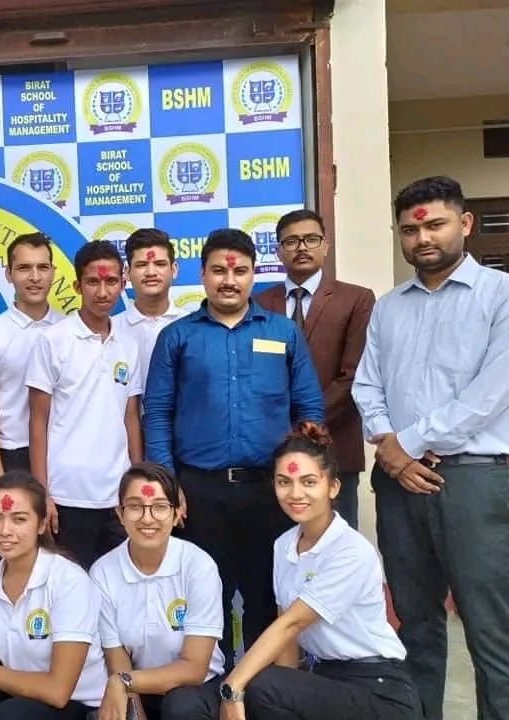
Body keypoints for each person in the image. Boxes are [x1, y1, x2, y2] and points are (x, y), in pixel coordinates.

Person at [352, 175, 509, 720]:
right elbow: (366, 385)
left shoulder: (500, 295)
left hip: (473, 481)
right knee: (414, 625)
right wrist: (391, 449)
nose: (422, 238)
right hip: (399, 485)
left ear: (464, 224)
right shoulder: (389, 307)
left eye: (435, 225)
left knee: (491, 629)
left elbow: (491, 394)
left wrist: (408, 443)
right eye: (410, 230)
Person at [143, 228, 323, 663]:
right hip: (199, 491)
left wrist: (302, 479)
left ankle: (266, 688)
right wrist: (169, 486)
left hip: (269, 491)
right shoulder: (177, 337)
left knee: (268, 593)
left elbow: (309, 408)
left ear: (253, 275)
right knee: (208, 597)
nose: (229, 280)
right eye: (219, 271)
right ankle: (214, 686)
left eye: (240, 271)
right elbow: (158, 413)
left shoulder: (283, 332)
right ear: (202, 275)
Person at [215, 422, 421, 720]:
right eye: (284, 482)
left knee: (258, 685)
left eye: (309, 482)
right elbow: (286, 635)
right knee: (264, 691)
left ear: (333, 486)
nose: (295, 493)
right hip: (327, 679)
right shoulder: (284, 545)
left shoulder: (350, 550)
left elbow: (293, 624)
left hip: (379, 688)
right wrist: (279, 691)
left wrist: (232, 687)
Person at [26, 240, 143, 569]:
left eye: (111, 281)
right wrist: (42, 493)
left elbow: (131, 418)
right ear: (78, 285)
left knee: (117, 587)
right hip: (66, 494)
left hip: (117, 495)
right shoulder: (53, 340)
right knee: (70, 587)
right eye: (93, 282)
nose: (102, 292)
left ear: (123, 282)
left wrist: (136, 484)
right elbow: (37, 421)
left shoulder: (128, 345)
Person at [255, 210, 374, 529]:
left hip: (334, 445)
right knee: (278, 544)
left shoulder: (356, 299)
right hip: (274, 449)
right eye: (291, 241)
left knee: (334, 542)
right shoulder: (259, 305)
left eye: (310, 239)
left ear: (325, 245)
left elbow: (353, 376)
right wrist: (283, 432)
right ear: (278, 251)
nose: (301, 247)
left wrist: (306, 425)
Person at [0, 472, 108, 720]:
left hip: (81, 705)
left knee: (10, 715)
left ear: (41, 524)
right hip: (20, 698)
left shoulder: (69, 581)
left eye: (19, 519)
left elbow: (58, 691)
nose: (5, 530)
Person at [91, 463, 225, 720]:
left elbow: (195, 668)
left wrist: (124, 681)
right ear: (120, 514)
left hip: (195, 689)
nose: (147, 518)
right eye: (135, 506)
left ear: (176, 514)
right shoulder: (102, 573)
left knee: (181, 707)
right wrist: (133, 708)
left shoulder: (198, 566)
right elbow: (117, 659)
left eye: (160, 507)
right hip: (135, 688)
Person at [0, 232, 61, 479]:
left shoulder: (70, 330)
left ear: (53, 272)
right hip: (13, 454)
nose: (35, 277)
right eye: (24, 268)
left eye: (42, 267)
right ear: (8, 274)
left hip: (65, 452)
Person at [116, 229, 183, 393]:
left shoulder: (192, 328)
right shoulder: (111, 330)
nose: (151, 273)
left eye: (160, 264)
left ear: (174, 270)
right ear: (127, 273)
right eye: (141, 265)